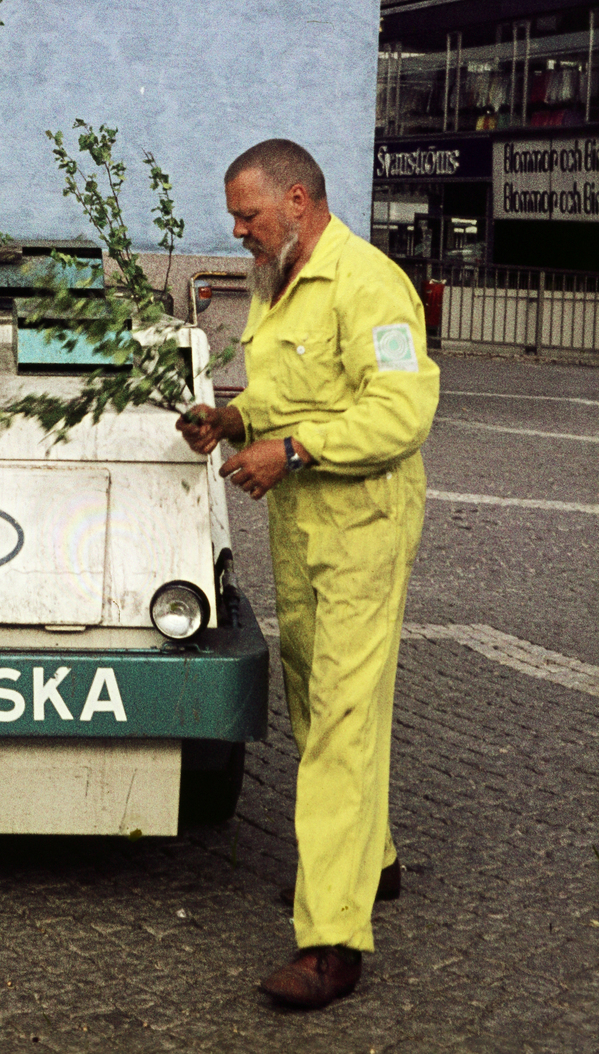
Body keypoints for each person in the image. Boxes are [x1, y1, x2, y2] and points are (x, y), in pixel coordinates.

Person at [177, 139, 439, 1010]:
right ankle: (373, 861)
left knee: (343, 724)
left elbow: (401, 411)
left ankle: (333, 939)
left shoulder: (370, 285)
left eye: (247, 214)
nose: (238, 231)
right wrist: (234, 418)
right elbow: (297, 392)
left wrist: (289, 451)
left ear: (297, 200)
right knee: (317, 700)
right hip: (302, 525)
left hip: (362, 525)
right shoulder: (281, 280)